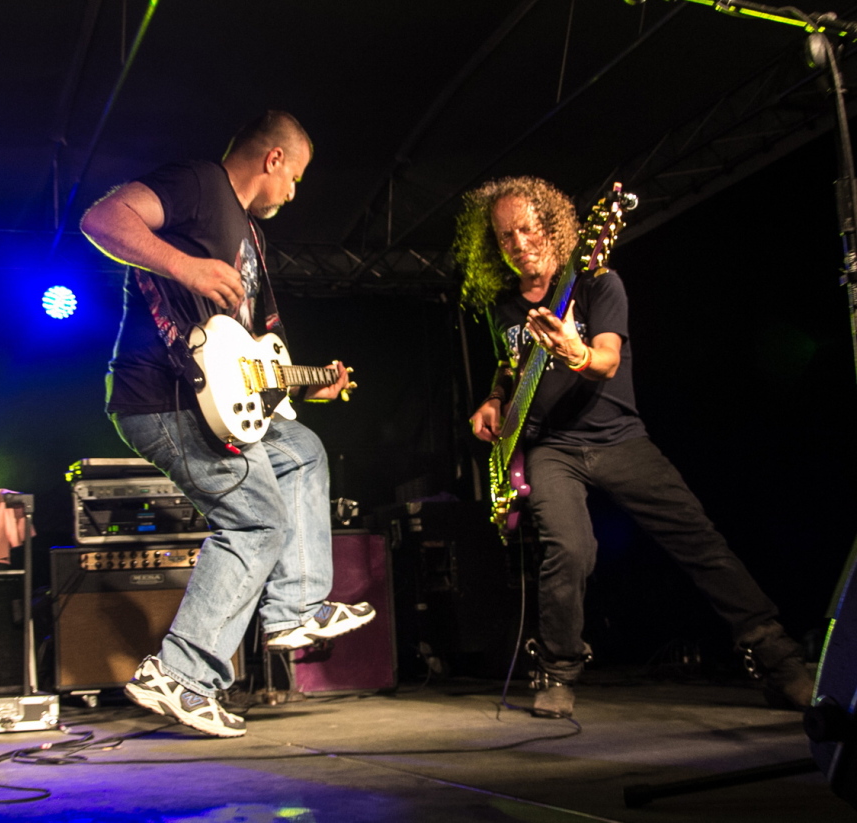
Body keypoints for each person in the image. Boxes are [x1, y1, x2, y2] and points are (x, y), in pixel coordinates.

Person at [455, 175, 814, 719]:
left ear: (553, 228)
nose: (519, 243)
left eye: (527, 229)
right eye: (505, 236)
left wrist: (574, 350)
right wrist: (494, 398)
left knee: (699, 540)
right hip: (550, 448)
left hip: (618, 436)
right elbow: (509, 367)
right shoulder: (499, 307)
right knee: (569, 549)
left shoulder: (598, 283)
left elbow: (606, 361)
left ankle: (781, 661)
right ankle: (557, 671)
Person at [80, 110, 376, 738]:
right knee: (258, 518)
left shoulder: (252, 242)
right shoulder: (197, 183)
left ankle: (293, 607)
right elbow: (102, 219)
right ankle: (182, 674)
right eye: (294, 178)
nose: (292, 193)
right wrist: (183, 267)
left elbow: (257, 353)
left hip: (214, 396)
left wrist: (308, 384)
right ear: (273, 159)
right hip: (163, 397)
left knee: (301, 449)